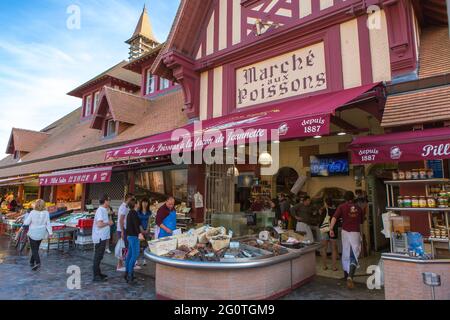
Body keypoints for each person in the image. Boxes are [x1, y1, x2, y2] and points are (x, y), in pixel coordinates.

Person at [329, 191, 365, 289]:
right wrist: (362, 236)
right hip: (355, 233)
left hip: (345, 232)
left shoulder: (341, 207)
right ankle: (350, 276)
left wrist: (331, 229)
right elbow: (361, 223)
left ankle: (346, 276)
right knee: (354, 254)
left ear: (344, 198)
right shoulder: (358, 208)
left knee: (346, 253)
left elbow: (334, 218)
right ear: (353, 198)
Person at [23, 200, 52, 271]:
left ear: (36, 205)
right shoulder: (46, 213)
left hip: (33, 233)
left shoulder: (32, 212)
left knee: (34, 249)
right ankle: (31, 262)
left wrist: (24, 221)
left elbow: (26, 222)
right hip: (41, 233)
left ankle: (38, 262)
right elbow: (48, 224)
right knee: (36, 248)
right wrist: (50, 233)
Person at [92, 195, 113, 282]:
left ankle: (98, 273)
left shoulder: (103, 210)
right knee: (98, 256)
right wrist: (108, 223)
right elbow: (99, 224)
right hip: (100, 237)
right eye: (109, 200)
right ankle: (96, 276)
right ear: (105, 201)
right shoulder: (101, 210)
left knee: (99, 256)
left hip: (102, 237)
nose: (109, 202)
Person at [124, 198, 144, 283]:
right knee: (134, 255)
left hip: (129, 236)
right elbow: (136, 225)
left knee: (130, 255)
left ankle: (127, 273)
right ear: (135, 205)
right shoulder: (134, 213)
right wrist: (139, 234)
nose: (139, 204)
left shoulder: (130, 213)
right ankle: (130, 275)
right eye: (138, 203)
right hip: (134, 237)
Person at [319, 198, 338, 271]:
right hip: (333, 230)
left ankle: (324, 266)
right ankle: (334, 267)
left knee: (324, 249)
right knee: (334, 249)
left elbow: (320, 221)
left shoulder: (324, 210)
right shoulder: (336, 210)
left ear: (326, 203)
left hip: (324, 230)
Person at [116, 193, 134, 271]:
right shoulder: (123, 207)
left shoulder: (125, 207)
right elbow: (121, 220)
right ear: (128, 199)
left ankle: (121, 264)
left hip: (123, 229)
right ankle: (121, 264)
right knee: (124, 247)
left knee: (124, 247)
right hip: (122, 230)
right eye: (132, 199)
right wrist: (123, 231)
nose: (133, 201)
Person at [137, 198, 152, 266]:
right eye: (143, 202)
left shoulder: (149, 212)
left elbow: (149, 221)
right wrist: (141, 229)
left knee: (146, 245)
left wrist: (147, 229)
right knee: (138, 245)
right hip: (140, 230)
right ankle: (136, 260)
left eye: (146, 202)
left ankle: (144, 260)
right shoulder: (138, 212)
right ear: (141, 203)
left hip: (147, 230)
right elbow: (137, 222)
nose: (145, 204)